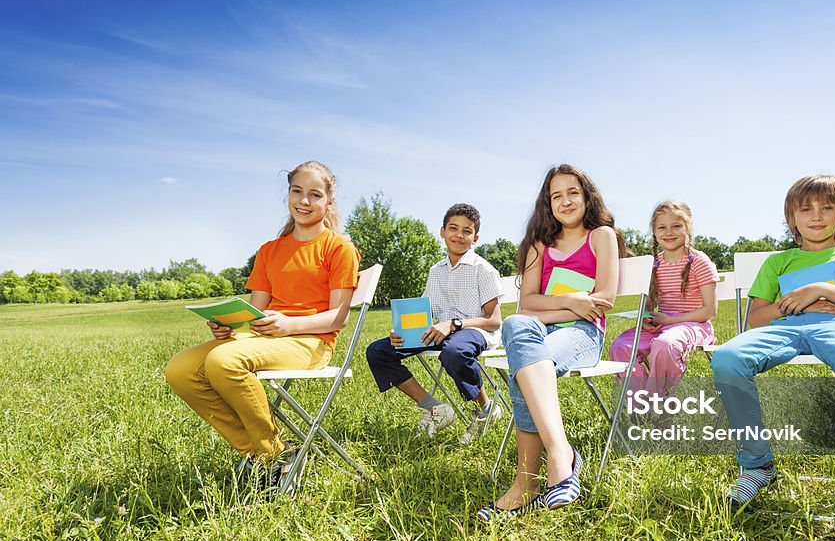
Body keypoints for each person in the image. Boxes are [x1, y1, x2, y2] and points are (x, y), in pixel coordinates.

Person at [710, 174, 835, 541]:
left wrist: (823, 291)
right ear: (792, 219)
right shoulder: (778, 261)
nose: (816, 215)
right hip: (785, 328)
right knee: (728, 358)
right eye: (805, 209)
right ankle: (757, 465)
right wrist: (797, 305)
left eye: (827, 207)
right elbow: (756, 317)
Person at [166, 160, 360, 497]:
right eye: (297, 191)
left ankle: (272, 454)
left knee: (224, 362)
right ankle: (261, 450)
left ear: (329, 202)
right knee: (180, 370)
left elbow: (338, 317)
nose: (304, 201)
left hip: (310, 340)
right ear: (288, 194)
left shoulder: (338, 247)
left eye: (315, 195)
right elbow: (255, 308)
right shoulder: (270, 250)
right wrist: (228, 325)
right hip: (264, 334)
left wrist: (289, 324)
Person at [478, 164, 625, 521]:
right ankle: (561, 454)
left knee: (525, 366)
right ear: (547, 203)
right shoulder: (538, 245)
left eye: (572, 192)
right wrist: (574, 301)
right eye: (556, 195)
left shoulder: (601, 236)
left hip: (584, 334)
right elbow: (525, 305)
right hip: (544, 328)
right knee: (517, 326)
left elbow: (603, 298)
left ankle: (526, 482)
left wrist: (562, 306)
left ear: (587, 195)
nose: (565, 201)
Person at [364, 203, 503, 444]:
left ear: (476, 238)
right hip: (440, 331)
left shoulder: (484, 270)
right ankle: (434, 408)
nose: (459, 235)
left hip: (475, 332)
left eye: (467, 231)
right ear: (442, 231)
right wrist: (402, 331)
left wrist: (454, 325)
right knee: (378, 351)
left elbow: (494, 320)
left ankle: (485, 409)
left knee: (454, 351)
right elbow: (426, 313)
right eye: (453, 228)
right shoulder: (435, 270)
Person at [608, 201, 718, 397]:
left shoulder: (700, 261)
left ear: (688, 228)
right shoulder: (654, 264)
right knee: (620, 347)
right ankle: (639, 402)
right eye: (662, 227)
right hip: (662, 325)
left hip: (694, 324)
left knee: (665, 344)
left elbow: (710, 311)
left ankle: (661, 403)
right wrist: (646, 319)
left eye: (676, 226)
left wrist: (669, 321)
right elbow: (649, 306)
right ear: (654, 232)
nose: (669, 232)